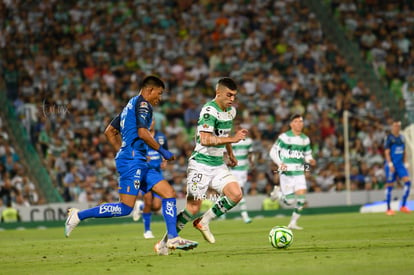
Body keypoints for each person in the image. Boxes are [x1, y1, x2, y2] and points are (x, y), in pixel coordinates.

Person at [64, 75, 198, 253]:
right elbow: (143, 133)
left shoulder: (130, 105)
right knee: (125, 208)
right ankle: (78, 215)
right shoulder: (143, 105)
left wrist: (121, 150)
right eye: (159, 94)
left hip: (138, 160)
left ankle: (172, 239)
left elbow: (109, 131)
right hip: (132, 161)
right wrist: (163, 151)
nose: (160, 98)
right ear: (149, 90)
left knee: (169, 193)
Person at [155, 77, 248, 253]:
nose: (232, 99)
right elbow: (205, 139)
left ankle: (203, 222)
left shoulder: (231, 112)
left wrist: (231, 153)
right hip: (200, 165)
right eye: (229, 95)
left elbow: (224, 134)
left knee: (236, 194)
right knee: (192, 207)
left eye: (234, 96)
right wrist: (234, 139)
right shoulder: (208, 111)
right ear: (218, 92)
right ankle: (163, 243)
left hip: (218, 164)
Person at [269, 114, 316, 230]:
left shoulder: (305, 139)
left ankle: (293, 223)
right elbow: (272, 152)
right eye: (296, 121)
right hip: (287, 171)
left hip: (299, 172)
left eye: (301, 121)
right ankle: (278, 195)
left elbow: (307, 155)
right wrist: (280, 163)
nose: (299, 124)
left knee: (302, 198)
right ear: (291, 124)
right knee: (289, 201)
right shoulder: (284, 137)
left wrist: (310, 160)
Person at [131, 120, 169, 239]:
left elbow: (165, 151)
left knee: (157, 206)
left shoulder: (161, 137)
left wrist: (165, 161)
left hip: (157, 174)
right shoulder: (140, 136)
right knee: (148, 200)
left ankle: (140, 206)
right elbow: (133, 152)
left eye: (152, 120)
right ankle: (147, 230)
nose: (151, 123)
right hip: (145, 173)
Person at [384, 120, 411, 215]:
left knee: (408, 182)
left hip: (400, 165)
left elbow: (404, 151)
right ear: (392, 127)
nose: (397, 128)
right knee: (390, 185)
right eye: (395, 126)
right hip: (392, 165)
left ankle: (403, 205)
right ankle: (388, 208)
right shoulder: (389, 138)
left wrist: (406, 162)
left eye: (398, 126)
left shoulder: (402, 138)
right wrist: (390, 164)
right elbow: (387, 152)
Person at [229, 120, 254, 223]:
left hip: (243, 169)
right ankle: (245, 215)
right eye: (235, 128)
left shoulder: (248, 141)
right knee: (238, 191)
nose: (237, 129)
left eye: (238, 127)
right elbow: (226, 155)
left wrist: (252, 161)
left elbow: (250, 153)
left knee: (236, 192)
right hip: (233, 169)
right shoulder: (230, 140)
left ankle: (221, 213)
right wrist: (228, 162)